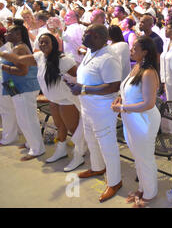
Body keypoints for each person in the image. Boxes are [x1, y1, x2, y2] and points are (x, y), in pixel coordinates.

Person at [0, 33, 86, 171]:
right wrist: (3, 55)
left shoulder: (64, 60)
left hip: (66, 99)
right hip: (54, 99)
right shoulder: (39, 57)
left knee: (73, 128)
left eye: (46, 42)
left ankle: (79, 154)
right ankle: (61, 150)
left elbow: (80, 76)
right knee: (59, 126)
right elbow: (18, 59)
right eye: (41, 42)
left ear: (54, 44)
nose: (43, 45)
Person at [66, 24, 123, 203]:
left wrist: (82, 88)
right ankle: (98, 167)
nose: (83, 37)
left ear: (98, 37)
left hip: (102, 110)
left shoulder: (108, 58)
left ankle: (115, 181)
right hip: (88, 107)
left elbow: (112, 86)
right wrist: (75, 84)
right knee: (91, 140)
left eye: (87, 34)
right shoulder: (92, 51)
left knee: (107, 145)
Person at [111, 36, 161, 208]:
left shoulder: (148, 73)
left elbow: (149, 103)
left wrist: (123, 108)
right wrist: (120, 98)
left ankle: (150, 193)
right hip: (131, 119)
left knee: (145, 158)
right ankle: (142, 187)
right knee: (138, 157)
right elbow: (127, 90)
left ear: (145, 52)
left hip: (144, 120)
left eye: (134, 48)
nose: (131, 50)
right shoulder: (137, 67)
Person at [0, 20, 45, 160]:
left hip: (24, 88)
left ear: (18, 34)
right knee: (23, 117)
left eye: (9, 32)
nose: (6, 34)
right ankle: (30, 143)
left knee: (27, 119)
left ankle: (37, 149)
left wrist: (3, 67)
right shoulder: (17, 46)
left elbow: (22, 71)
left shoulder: (19, 48)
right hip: (18, 87)